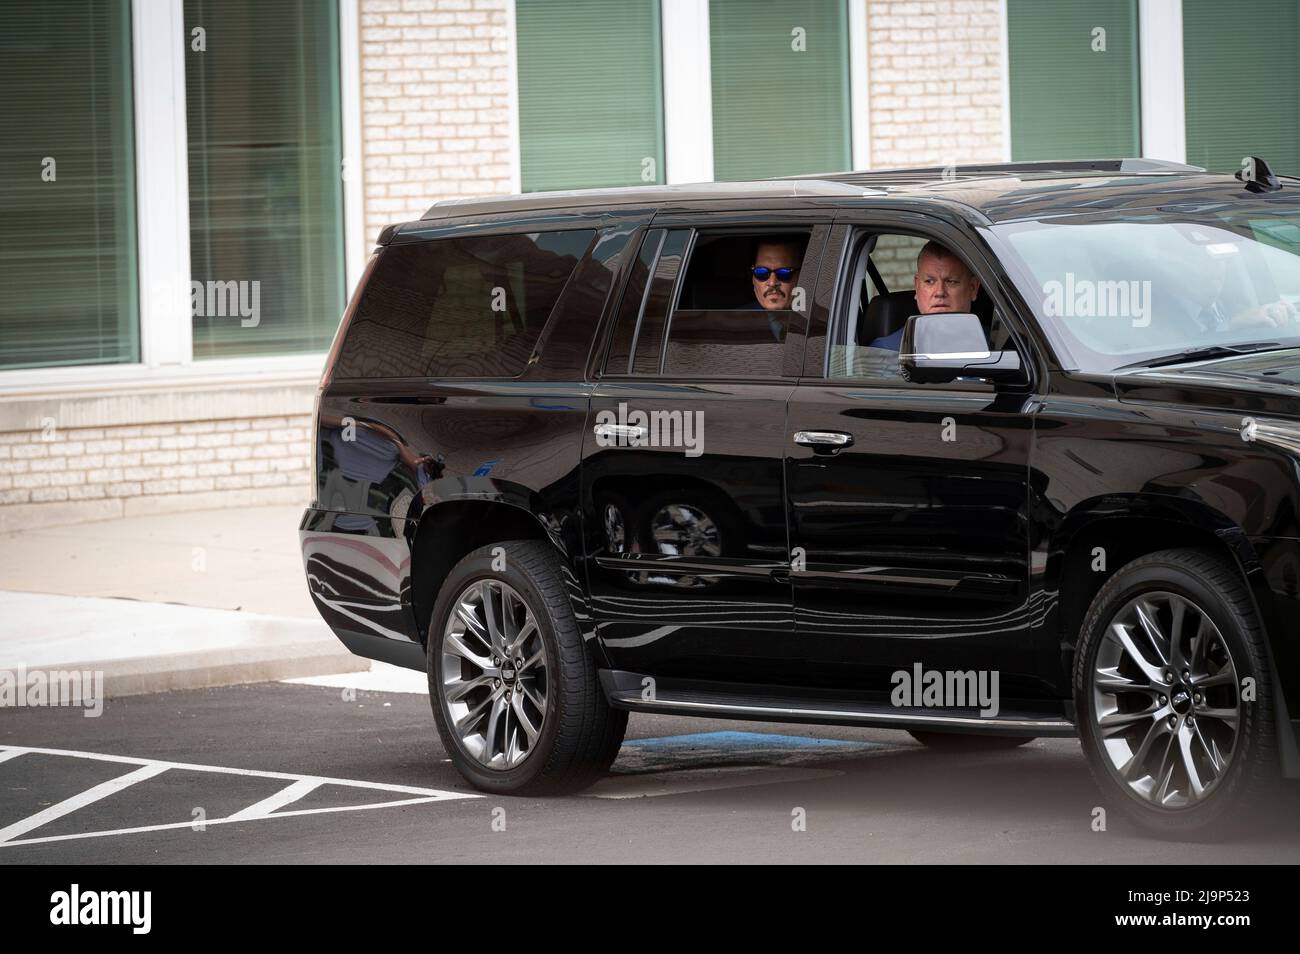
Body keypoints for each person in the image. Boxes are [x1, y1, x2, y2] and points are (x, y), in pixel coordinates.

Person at [869, 240, 980, 351]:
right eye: (929, 281)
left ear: (973, 288)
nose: (940, 292)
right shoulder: (888, 351)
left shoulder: (993, 347)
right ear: (917, 287)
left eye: (951, 281)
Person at [749, 238, 803, 341]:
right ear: (753, 279)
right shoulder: (731, 323)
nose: (772, 282)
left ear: (801, 276)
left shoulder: (829, 321)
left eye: (784, 273)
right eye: (761, 273)